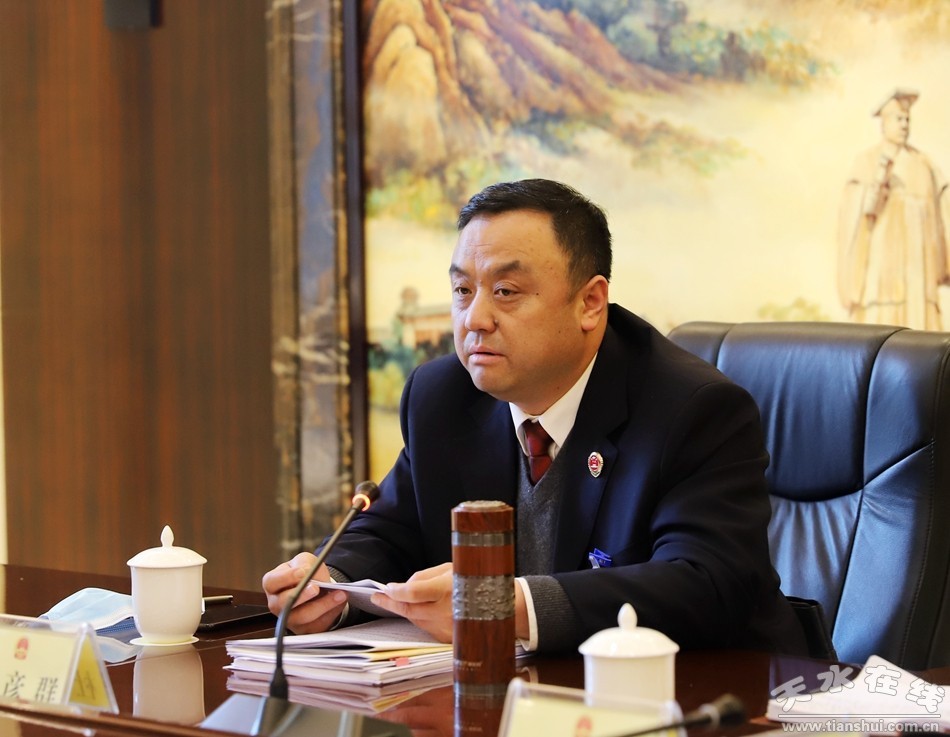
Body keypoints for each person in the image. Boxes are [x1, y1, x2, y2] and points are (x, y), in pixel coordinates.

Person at [263, 178, 807, 655]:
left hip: (717, 697)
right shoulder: (443, 396)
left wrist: (509, 606)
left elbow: (705, 583)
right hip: (518, 697)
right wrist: (331, 583)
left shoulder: (691, 409)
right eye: (462, 290)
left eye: (505, 291)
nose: (475, 319)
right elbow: (390, 531)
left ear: (590, 303)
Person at [837, 89, 950, 330]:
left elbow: (941, 215)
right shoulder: (867, 161)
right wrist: (878, 182)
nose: (904, 125)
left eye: (907, 119)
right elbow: (860, 214)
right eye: (898, 119)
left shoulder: (924, 164)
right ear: (884, 123)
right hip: (882, 269)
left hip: (918, 273)